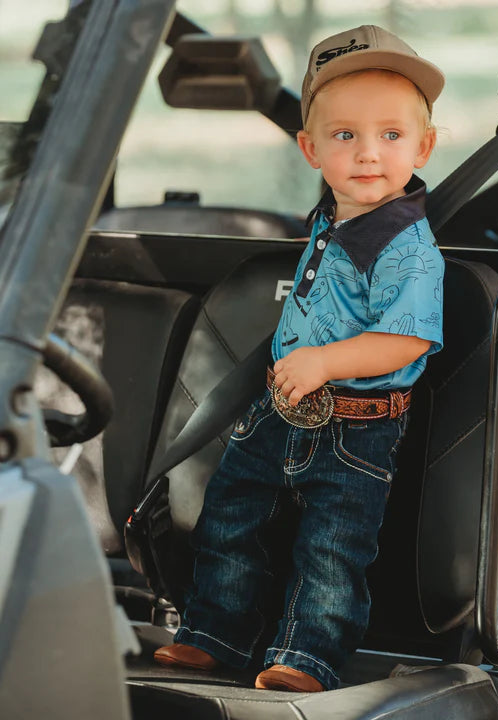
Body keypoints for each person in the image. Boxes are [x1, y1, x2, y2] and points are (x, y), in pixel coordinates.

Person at [154, 24, 445, 693]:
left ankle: (306, 659)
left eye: (391, 136)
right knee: (229, 516)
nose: (368, 154)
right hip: (278, 410)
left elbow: (405, 341)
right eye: (345, 136)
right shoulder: (334, 214)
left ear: (424, 146)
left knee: (332, 548)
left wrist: (320, 362)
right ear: (310, 149)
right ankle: (212, 634)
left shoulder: (408, 248)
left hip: (358, 426)